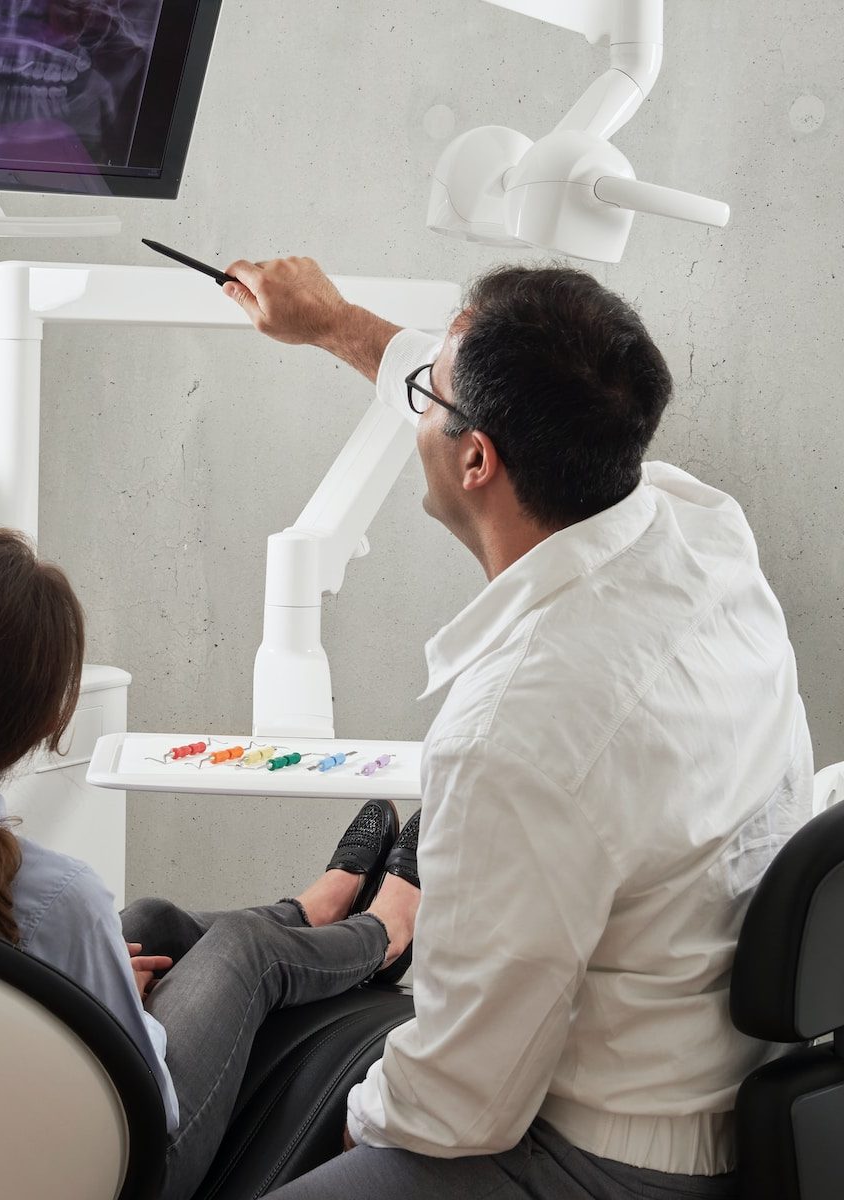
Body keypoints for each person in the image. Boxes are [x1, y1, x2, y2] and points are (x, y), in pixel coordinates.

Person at [219, 258, 813, 1198]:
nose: (421, 391)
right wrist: (333, 323)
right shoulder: (701, 529)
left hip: (598, 1159)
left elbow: (459, 1107)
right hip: (712, 1085)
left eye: (431, 391)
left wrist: (346, 1131)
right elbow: (484, 386)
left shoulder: (518, 727)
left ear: (477, 460)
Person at [0, 525, 423, 1200]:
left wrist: (99, 989)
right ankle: (383, 935)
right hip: (110, 1174)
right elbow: (149, 1102)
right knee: (241, 949)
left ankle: (310, 914)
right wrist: (119, 1022)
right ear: (47, 726)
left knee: (149, 920)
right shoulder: (57, 898)